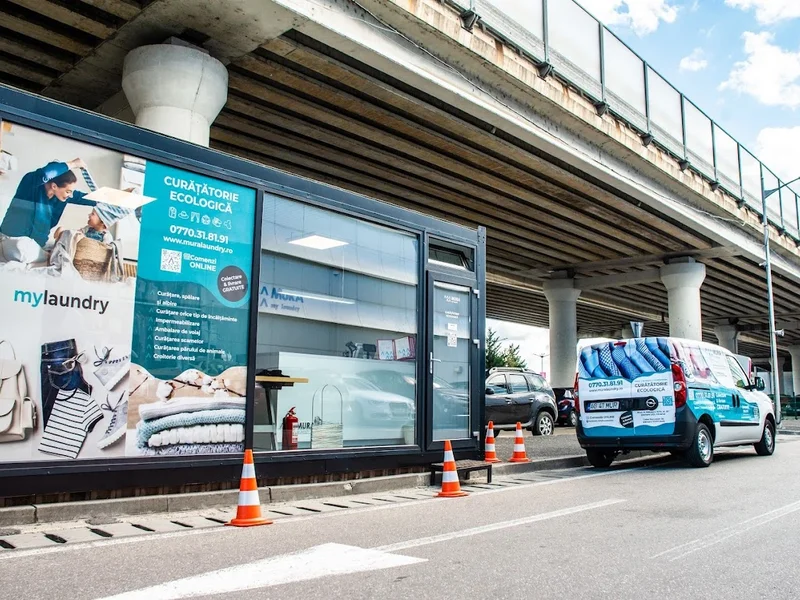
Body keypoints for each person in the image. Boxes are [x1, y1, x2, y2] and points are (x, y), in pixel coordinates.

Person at [0, 159, 95, 247]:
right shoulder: (29, 184)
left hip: (35, 247)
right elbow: (45, 174)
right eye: (68, 191)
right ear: (54, 186)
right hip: (9, 241)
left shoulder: (61, 197)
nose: (70, 195)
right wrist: (73, 164)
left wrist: (105, 199)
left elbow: (91, 199)